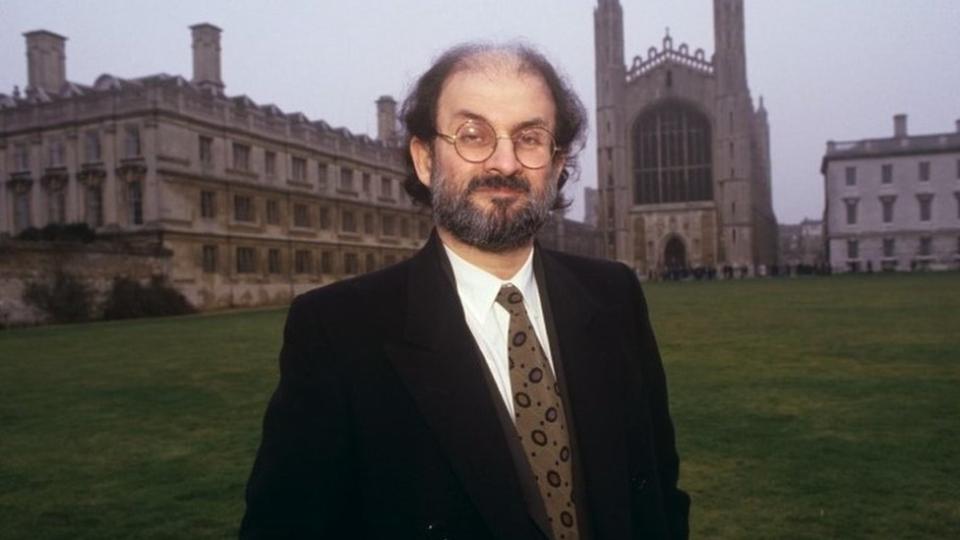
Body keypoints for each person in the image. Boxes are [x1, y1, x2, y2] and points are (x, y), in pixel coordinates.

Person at [240, 42, 689, 540]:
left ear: (558, 164)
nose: (504, 162)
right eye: (472, 134)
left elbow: (659, 495)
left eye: (530, 138)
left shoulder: (615, 295)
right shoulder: (337, 331)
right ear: (425, 160)